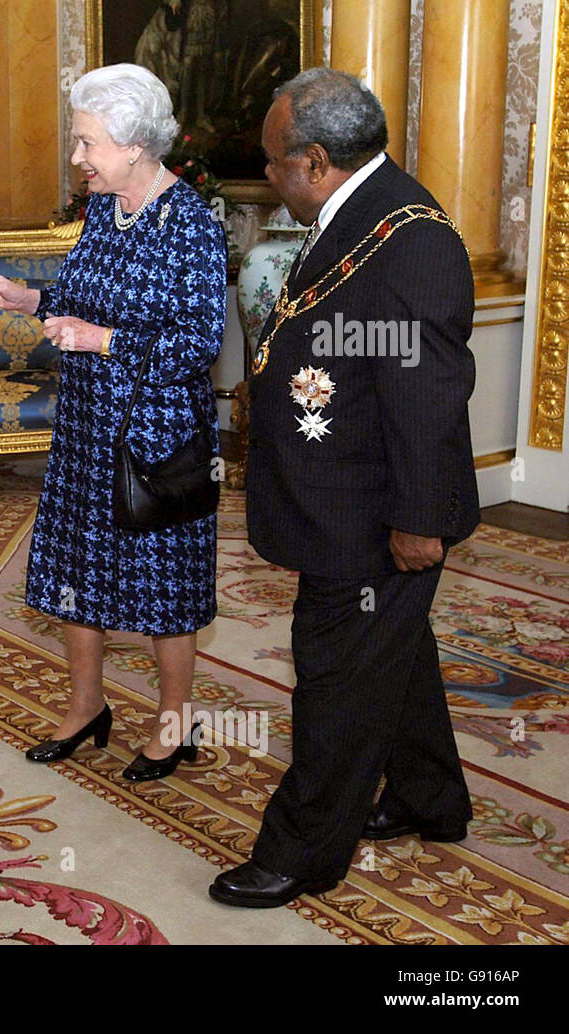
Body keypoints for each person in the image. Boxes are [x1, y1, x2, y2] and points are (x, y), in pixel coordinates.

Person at [210, 68, 479, 908]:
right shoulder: (354, 215)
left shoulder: (412, 237)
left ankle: (303, 850)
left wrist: (417, 520)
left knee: (335, 678)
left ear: (316, 160)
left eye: (274, 163)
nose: (269, 177)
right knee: (391, 655)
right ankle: (430, 798)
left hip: (373, 514)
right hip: (338, 494)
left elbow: (427, 394)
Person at [0, 63, 226, 782]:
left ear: (135, 146)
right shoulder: (102, 210)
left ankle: (174, 724)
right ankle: (87, 706)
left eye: (88, 143)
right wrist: (32, 300)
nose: (78, 157)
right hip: (86, 424)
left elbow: (198, 342)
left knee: (164, 586)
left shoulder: (190, 226)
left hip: (155, 434)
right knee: (74, 570)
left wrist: (103, 340)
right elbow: (90, 295)